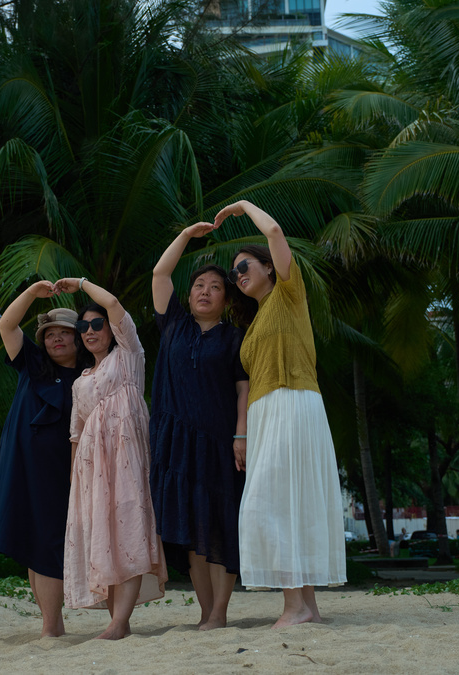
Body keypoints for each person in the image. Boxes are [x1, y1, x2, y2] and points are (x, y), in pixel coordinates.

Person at [214, 199, 347, 628]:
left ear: (270, 267)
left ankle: (296, 606)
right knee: (282, 502)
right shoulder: (254, 321)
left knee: (270, 504)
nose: (239, 275)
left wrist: (241, 205)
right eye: (235, 272)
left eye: (245, 265)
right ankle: (305, 607)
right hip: (268, 414)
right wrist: (247, 434)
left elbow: (274, 233)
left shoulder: (290, 294)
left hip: (292, 402)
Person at [148, 222, 249, 631]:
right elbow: (159, 274)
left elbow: (243, 391)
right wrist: (187, 236)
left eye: (215, 287)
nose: (204, 291)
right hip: (174, 444)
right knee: (190, 529)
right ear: (188, 296)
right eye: (198, 286)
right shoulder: (173, 325)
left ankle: (221, 612)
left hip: (219, 443)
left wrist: (241, 435)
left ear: (226, 299)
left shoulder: (236, 338)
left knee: (221, 524)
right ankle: (206, 613)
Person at [55, 276, 167, 640]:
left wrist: (83, 283)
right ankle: (119, 620)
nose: (89, 331)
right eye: (83, 326)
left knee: (130, 531)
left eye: (96, 323)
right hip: (91, 468)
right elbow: (76, 433)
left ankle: (118, 623)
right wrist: (76, 479)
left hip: (126, 459)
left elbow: (116, 305)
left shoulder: (129, 355)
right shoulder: (80, 380)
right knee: (105, 537)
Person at [0, 280, 81, 638]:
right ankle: (50, 625)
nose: (56, 338)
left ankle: (52, 627)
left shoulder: (90, 374)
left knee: (49, 543)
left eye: (65, 333)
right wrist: (31, 294)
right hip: (22, 466)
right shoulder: (33, 363)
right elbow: (7, 325)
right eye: (50, 333)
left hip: (63, 472)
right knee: (31, 542)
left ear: (79, 337)